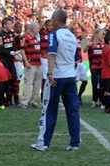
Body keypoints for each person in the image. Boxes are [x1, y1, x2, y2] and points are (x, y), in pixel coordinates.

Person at [32, 9, 81, 152]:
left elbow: (52, 54)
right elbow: (76, 59)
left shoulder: (54, 35)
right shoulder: (72, 36)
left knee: (49, 109)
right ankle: (74, 143)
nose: (51, 21)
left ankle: (44, 142)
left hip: (57, 76)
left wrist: (50, 72)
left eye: (53, 19)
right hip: (70, 76)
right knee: (72, 110)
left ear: (58, 20)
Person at [21, 22, 43, 109]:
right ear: (33, 28)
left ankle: (34, 101)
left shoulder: (35, 38)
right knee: (28, 82)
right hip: (31, 63)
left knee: (37, 83)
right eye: (37, 28)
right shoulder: (26, 37)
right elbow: (22, 50)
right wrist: (26, 61)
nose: (38, 29)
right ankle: (24, 102)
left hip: (38, 63)